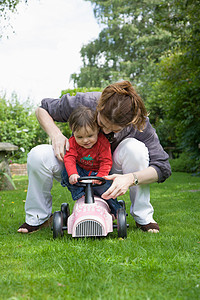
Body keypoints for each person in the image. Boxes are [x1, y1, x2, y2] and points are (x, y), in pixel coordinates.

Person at [18, 80, 171, 234]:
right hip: (76, 165)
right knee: (37, 155)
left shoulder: (139, 123)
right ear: (99, 108)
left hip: (112, 170)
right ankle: (38, 217)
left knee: (135, 148)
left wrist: (131, 178)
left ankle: (143, 216)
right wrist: (56, 134)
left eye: (114, 129)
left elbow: (162, 168)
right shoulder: (85, 102)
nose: (104, 132)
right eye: (102, 125)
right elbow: (42, 109)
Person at [61, 106, 121, 217]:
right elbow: (69, 158)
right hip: (80, 172)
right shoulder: (73, 142)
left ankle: (115, 210)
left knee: (106, 190)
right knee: (65, 171)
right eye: (80, 137)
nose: (85, 140)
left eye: (90, 136)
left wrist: (101, 176)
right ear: (73, 133)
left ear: (97, 130)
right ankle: (80, 195)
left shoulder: (103, 142)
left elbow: (106, 162)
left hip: (97, 172)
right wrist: (73, 173)